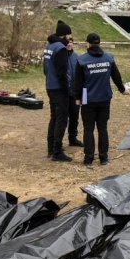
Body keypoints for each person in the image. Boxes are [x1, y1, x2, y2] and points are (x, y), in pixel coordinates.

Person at [74, 33, 130, 167]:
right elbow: (116, 76)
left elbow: (78, 82)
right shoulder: (109, 58)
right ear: (99, 43)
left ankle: (88, 159)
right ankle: (103, 158)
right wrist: (122, 90)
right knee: (102, 128)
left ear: (87, 43)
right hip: (105, 97)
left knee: (88, 129)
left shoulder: (82, 60)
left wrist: (77, 98)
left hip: (88, 97)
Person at [44, 20, 74, 161]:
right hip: (59, 89)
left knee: (54, 118)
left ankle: (51, 149)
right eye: (68, 35)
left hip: (50, 86)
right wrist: (66, 89)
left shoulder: (48, 46)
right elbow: (62, 72)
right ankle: (57, 152)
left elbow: (45, 68)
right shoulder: (60, 48)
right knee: (61, 119)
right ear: (64, 35)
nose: (69, 38)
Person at [65, 37, 83, 148]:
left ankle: (73, 138)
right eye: (68, 43)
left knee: (74, 116)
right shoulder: (61, 57)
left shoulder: (78, 57)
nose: (69, 45)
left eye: (71, 43)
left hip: (75, 92)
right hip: (64, 92)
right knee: (62, 118)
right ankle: (58, 141)